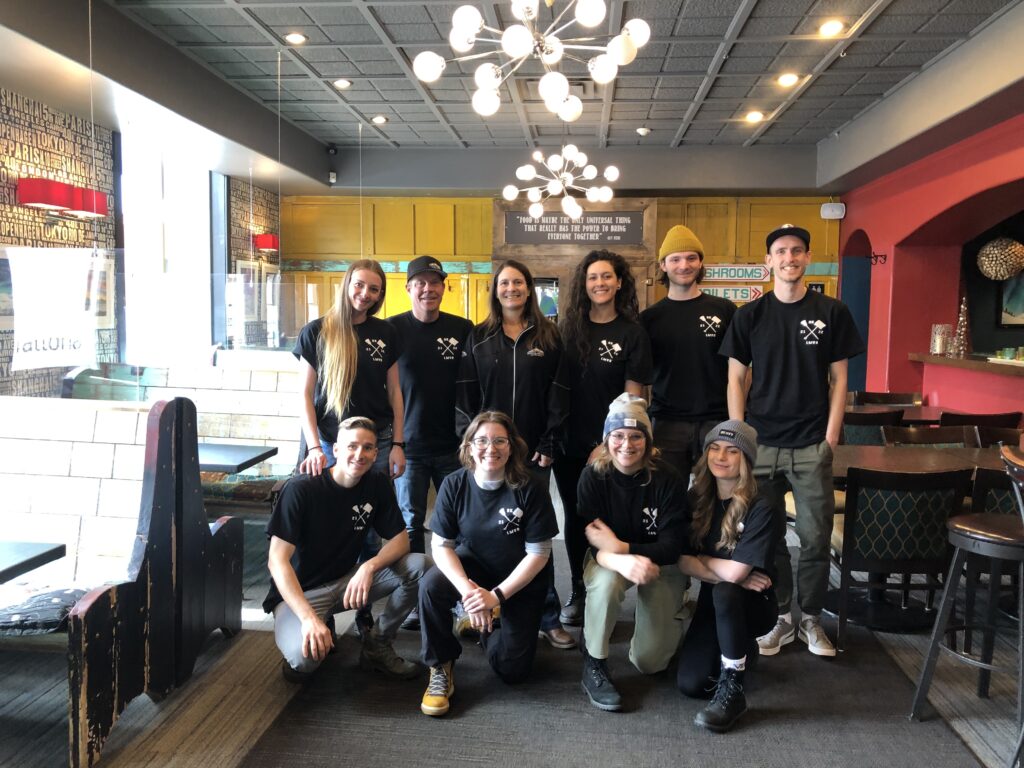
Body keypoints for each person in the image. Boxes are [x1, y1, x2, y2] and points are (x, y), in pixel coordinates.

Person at [719, 224, 865, 658]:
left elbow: (840, 378)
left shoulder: (831, 312)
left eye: (796, 251)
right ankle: (781, 617)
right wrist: (738, 434)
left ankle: (813, 618)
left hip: (809, 444)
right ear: (768, 262)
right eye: (780, 252)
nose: (788, 258)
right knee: (766, 536)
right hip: (761, 443)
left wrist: (832, 434)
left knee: (816, 535)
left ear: (806, 258)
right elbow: (735, 377)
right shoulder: (749, 315)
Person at [456, 259, 574, 649]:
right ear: (495, 289)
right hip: (488, 454)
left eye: (518, 282)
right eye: (504, 283)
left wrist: (550, 442)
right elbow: (466, 399)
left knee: (537, 538)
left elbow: (559, 394)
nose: (511, 289)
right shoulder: (479, 337)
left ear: (529, 289)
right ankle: (481, 607)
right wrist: (472, 445)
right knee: (483, 532)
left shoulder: (549, 337)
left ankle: (548, 617)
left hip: (532, 455)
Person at [264, 416, 429, 682]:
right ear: (336, 450)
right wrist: (308, 618)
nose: (359, 454)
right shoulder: (301, 489)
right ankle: (314, 625)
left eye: (367, 447)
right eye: (351, 446)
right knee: (304, 662)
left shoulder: (376, 484)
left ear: (376, 452)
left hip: (345, 583)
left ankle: (378, 645)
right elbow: (277, 562)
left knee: (421, 567)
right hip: (300, 594)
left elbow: (401, 541)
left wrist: (369, 566)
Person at [418, 411, 559, 716]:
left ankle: (486, 626)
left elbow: (539, 554)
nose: (490, 448)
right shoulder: (455, 484)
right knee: (430, 585)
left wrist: (494, 598)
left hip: (521, 577)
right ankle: (441, 666)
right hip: (475, 567)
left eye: (499, 441)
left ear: (512, 446)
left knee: (513, 671)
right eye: (481, 440)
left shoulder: (531, 487)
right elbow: (441, 546)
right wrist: (470, 595)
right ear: (469, 446)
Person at [554, 250, 652, 627]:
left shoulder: (632, 333)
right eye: (593, 277)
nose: (600, 284)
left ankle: (611, 590)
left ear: (619, 282)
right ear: (584, 284)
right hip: (568, 444)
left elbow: (632, 400)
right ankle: (579, 588)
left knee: (611, 517)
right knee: (577, 517)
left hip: (613, 446)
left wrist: (607, 442)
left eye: (607, 277)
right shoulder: (568, 329)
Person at [575, 393, 688, 711]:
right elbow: (590, 542)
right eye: (618, 436)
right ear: (607, 439)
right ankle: (594, 663)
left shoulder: (668, 478)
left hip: (660, 563)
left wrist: (624, 547)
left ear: (648, 440)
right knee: (607, 583)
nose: (627, 444)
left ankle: (674, 613)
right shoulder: (593, 477)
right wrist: (619, 559)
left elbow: (672, 546)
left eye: (636, 435)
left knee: (649, 662)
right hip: (608, 562)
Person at [677, 420, 784, 733]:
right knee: (691, 684)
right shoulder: (697, 497)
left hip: (755, 605)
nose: (720, 456)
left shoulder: (763, 504)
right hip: (715, 599)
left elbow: (736, 575)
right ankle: (741, 650)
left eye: (732, 451)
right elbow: (680, 560)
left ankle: (733, 688)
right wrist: (725, 570)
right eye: (714, 448)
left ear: (746, 460)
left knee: (727, 592)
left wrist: (711, 565)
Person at [388, 256, 473, 629]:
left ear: (443, 287)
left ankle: (459, 597)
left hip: (454, 447)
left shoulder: (463, 328)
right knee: (410, 526)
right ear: (408, 288)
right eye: (420, 282)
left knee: (460, 525)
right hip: (408, 448)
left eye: (434, 282)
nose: (428, 289)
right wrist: (393, 442)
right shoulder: (391, 330)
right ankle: (417, 600)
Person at [293, 258, 405, 481]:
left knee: (373, 506)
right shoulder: (316, 332)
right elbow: (305, 394)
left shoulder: (386, 332)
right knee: (331, 509)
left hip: (378, 441)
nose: (365, 294)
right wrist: (314, 448)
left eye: (374, 289)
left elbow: (394, 392)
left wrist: (398, 444)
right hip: (331, 441)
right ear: (347, 284)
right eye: (359, 285)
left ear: (380, 295)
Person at [641, 224, 736, 482]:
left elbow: (742, 370)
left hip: (717, 421)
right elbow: (640, 377)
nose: (684, 265)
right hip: (666, 423)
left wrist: (738, 418)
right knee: (667, 497)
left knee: (718, 498)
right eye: (675, 259)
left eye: (691, 257)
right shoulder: (649, 319)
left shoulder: (725, 310)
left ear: (701, 262)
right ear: (663, 265)